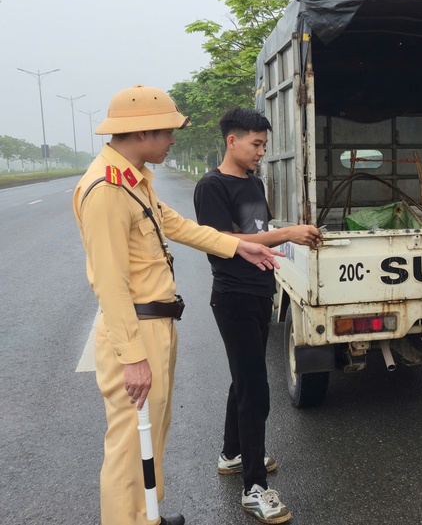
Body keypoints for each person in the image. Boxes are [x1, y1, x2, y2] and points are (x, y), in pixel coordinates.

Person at [73, 85, 284, 525]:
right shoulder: (107, 189)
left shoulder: (133, 181)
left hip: (156, 324)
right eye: (167, 132)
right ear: (142, 131)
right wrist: (132, 357)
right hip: (137, 329)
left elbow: (179, 226)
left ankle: (146, 515)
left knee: (150, 436)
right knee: (129, 445)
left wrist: (239, 246)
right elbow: (110, 283)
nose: (173, 139)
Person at [193, 107, 321, 524]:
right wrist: (288, 233)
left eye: (264, 145)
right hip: (233, 296)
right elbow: (220, 240)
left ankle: (233, 454)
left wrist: (284, 238)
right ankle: (254, 489)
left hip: (259, 291)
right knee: (256, 388)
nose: (261, 152)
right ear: (232, 141)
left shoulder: (254, 182)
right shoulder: (211, 186)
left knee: (244, 379)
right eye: (256, 144)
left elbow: (258, 233)